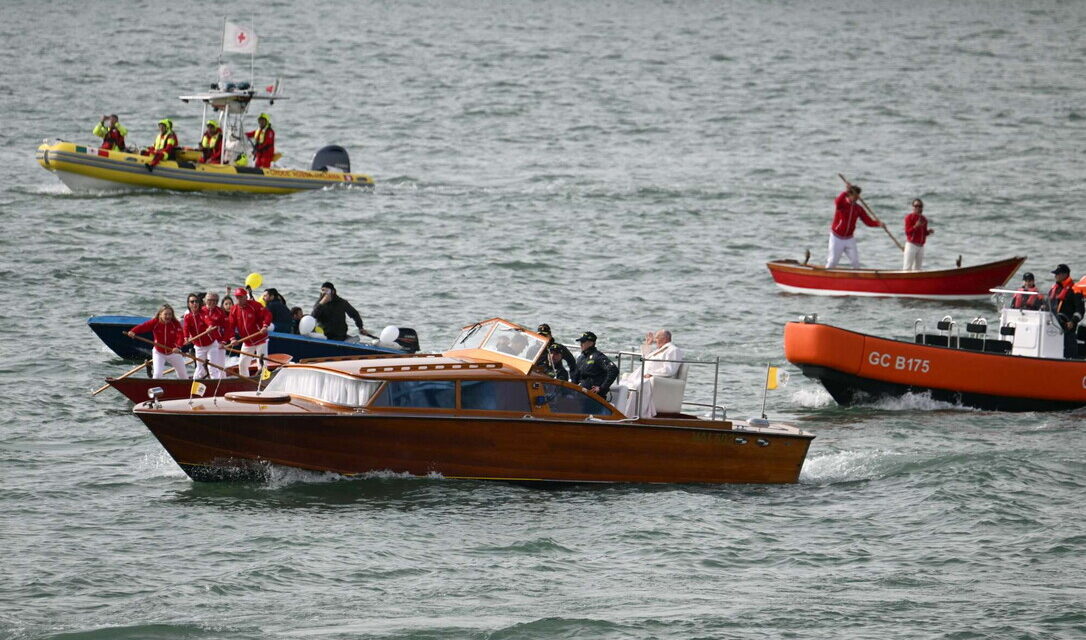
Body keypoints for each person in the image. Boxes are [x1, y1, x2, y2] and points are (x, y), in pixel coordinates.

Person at [616, 330, 684, 418]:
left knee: (638, 385)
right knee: (622, 384)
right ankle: (618, 412)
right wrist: (648, 344)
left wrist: (652, 374)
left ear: (665, 338)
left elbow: (670, 370)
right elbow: (645, 358)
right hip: (641, 375)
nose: (655, 340)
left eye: (657, 338)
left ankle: (631, 415)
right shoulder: (660, 350)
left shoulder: (673, 350)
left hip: (654, 379)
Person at [827, 184, 882, 268]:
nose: (857, 198)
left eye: (858, 196)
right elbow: (837, 202)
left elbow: (868, 221)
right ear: (850, 195)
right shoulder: (842, 204)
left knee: (856, 262)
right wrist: (845, 192)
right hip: (836, 237)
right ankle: (827, 277)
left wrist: (878, 224)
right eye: (855, 195)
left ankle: (857, 279)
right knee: (833, 261)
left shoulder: (858, 208)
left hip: (849, 238)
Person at [127, 304, 188, 379]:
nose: (168, 316)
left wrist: (178, 347)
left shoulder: (175, 323)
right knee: (157, 375)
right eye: (165, 314)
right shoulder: (155, 322)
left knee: (184, 376)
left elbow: (180, 336)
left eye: (170, 314)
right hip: (159, 353)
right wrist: (133, 331)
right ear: (160, 314)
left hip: (173, 352)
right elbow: (143, 327)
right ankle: (155, 389)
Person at [226, 287, 272, 376]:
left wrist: (265, 326)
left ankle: (265, 381)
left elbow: (267, 315)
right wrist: (232, 339)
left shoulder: (255, 305)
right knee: (242, 364)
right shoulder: (234, 309)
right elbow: (230, 326)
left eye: (241, 297)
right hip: (247, 341)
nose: (239, 299)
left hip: (260, 339)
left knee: (262, 364)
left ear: (246, 297)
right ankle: (245, 382)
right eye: (237, 297)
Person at [1044, 264, 1084, 359]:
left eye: (1057, 274)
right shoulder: (1054, 289)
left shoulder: (1075, 290)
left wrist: (1072, 321)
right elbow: (1047, 304)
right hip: (1052, 328)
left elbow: (1080, 310)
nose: (1055, 276)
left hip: (1068, 329)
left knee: (1069, 353)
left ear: (1065, 274)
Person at [571, 331, 618, 399]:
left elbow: (613, 370)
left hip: (594, 398)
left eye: (583, 342)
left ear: (591, 343)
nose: (581, 344)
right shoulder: (580, 358)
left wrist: (601, 388)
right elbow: (575, 379)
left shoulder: (598, 357)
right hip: (580, 395)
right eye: (580, 342)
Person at [201, 291, 229, 379]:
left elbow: (228, 328)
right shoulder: (200, 311)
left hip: (218, 343)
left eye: (214, 300)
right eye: (209, 300)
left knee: (220, 367)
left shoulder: (220, 312)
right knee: (201, 368)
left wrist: (224, 341)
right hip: (202, 343)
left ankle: (222, 384)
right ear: (205, 300)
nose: (212, 302)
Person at [902, 198, 932, 271]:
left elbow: (924, 233)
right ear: (913, 207)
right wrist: (915, 226)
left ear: (922, 208)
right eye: (916, 206)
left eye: (920, 206)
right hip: (911, 245)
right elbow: (907, 232)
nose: (918, 208)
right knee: (907, 268)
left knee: (918, 269)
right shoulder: (909, 218)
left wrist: (928, 232)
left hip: (921, 246)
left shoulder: (924, 219)